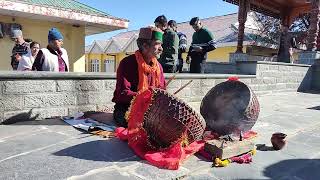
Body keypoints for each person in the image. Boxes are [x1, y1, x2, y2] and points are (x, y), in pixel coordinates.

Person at [112, 27, 166, 127]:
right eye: (157, 44)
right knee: (141, 126)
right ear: (145, 46)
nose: (161, 48)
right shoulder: (127, 63)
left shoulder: (159, 67)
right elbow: (122, 93)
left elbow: (162, 91)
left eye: (161, 45)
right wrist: (146, 97)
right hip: (128, 108)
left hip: (151, 110)